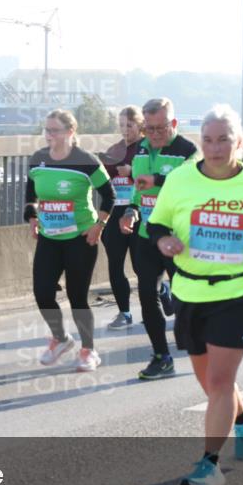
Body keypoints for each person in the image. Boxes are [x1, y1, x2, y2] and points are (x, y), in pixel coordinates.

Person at [149, 104, 243, 485]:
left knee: (220, 378)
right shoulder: (180, 180)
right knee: (212, 385)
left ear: (239, 143)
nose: (215, 148)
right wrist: (164, 239)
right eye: (208, 140)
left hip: (240, 289)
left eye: (223, 140)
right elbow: (156, 222)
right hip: (190, 289)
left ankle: (209, 464)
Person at [25, 109, 115, 372]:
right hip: (49, 238)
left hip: (80, 237)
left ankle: (89, 350)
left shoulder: (86, 161)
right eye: (47, 130)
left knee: (77, 296)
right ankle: (61, 338)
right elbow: (30, 195)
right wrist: (32, 217)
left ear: (70, 132)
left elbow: (109, 196)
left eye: (55, 130)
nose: (49, 135)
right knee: (42, 293)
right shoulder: (38, 160)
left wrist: (99, 226)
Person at [120, 98, 198, 380]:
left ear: (174, 124)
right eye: (148, 129)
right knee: (147, 296)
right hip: (147, 234)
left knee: (186, 298)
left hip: (180, 239)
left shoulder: (188, 151)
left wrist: (158, 179)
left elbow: (191, 182)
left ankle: (204, 349)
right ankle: (161, 357)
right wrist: (130, 210)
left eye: (159, 128)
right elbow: (138, 190)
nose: (153, 135)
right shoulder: (141, 150)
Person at [100, 106, 144, 330]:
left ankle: (159, 295)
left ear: (140, 125)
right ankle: (124, 313)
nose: (125, 130)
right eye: (121, 125)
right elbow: (103, 183)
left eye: (130, 125)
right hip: (117, 213)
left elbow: (159, 181)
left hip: (140, 213)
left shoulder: (147, 149)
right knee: (115, 264)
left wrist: (132, 172)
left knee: (141, 267)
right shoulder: (114, 149)